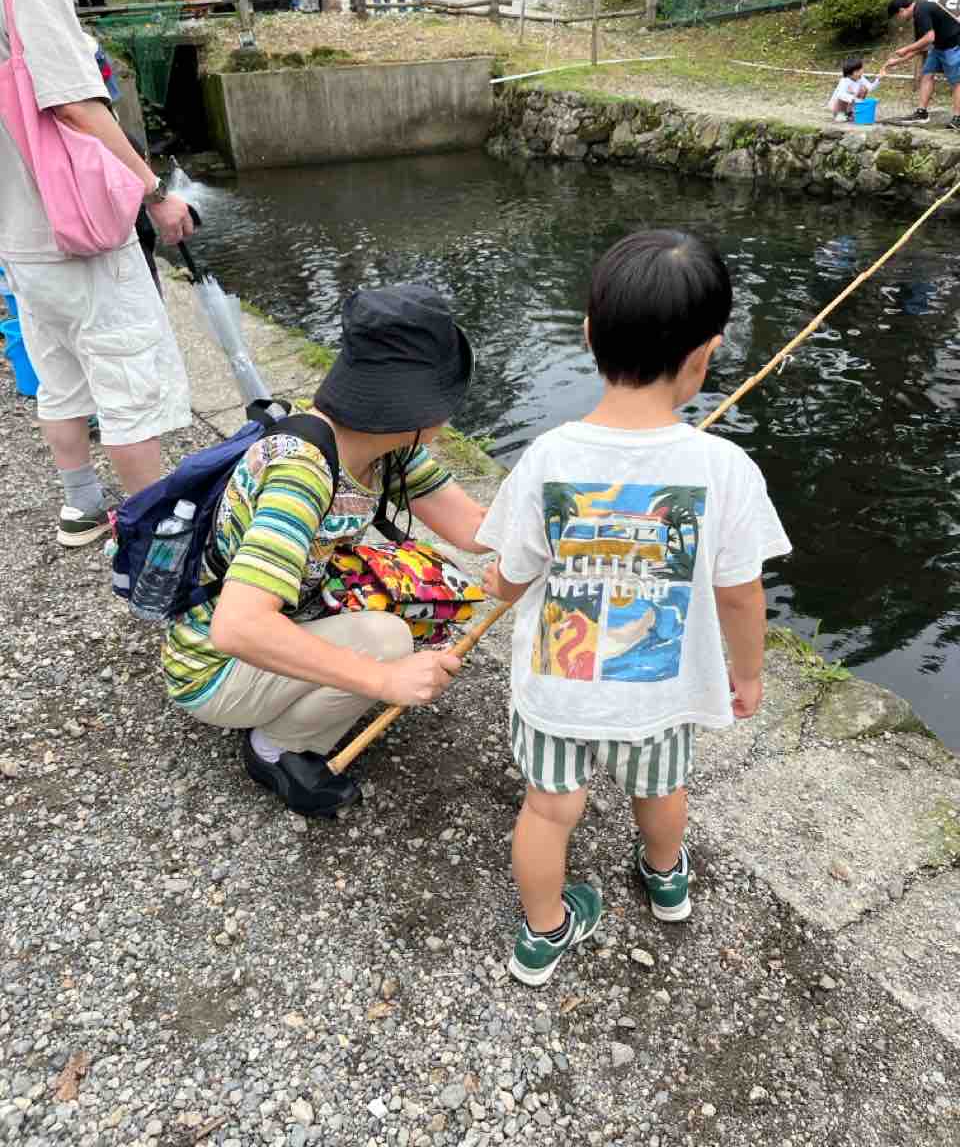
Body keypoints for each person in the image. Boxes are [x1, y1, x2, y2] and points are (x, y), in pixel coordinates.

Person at [476, 231, 790, 987]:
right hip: (658, 693)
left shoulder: (547, 455)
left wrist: (499, 586)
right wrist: (748, 674)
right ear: (706, 354)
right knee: (660, 789)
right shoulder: (726, 468)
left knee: (548, 809)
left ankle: (542, 935)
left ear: (588, 335)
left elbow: (513, 574)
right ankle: (666, 880)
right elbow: (741, 593)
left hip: (559, 690)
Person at [162, 285, 489, 818]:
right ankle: (276, 748)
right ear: (414, 404)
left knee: (419, 608)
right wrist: (384, 679)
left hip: (292, 614)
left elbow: (473, 526)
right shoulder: (302, 473)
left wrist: (563, 519)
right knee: (389, 640)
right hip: (211, 667)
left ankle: (294, 695)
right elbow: (237, 627)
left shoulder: (387, 446)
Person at [0, 0, 193, 546]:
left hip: (18, 230)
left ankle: (82, 506)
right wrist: (153, 191)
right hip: (76, 227)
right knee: (125, 376)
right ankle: (157, 534)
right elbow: (75, 103)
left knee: (58, 371)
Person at [886, 0, 960, 130]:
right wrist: (897, 61)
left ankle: (958, 118)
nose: (899, 20)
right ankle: (922, 113)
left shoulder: (922, 10)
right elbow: (921, 46)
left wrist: (906, 49)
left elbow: (929, 38)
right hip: (938, 47)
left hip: (954, 45)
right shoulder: (918, 15)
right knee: (927, 74)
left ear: (902, 10)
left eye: (897, 17)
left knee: (957, 81)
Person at [827, 55, 884, 122]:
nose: (861, 72)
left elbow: (869, 88)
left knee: (864, 89)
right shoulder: (844, 81)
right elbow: (840, 94)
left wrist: (878, 79)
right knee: (843, 95)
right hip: (838, 107)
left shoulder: (861, 78)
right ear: (849, 73)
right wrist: (853, 98)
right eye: (857, 71)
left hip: (850, 105)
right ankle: (840, 114)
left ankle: (850, 113)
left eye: (861, 69)